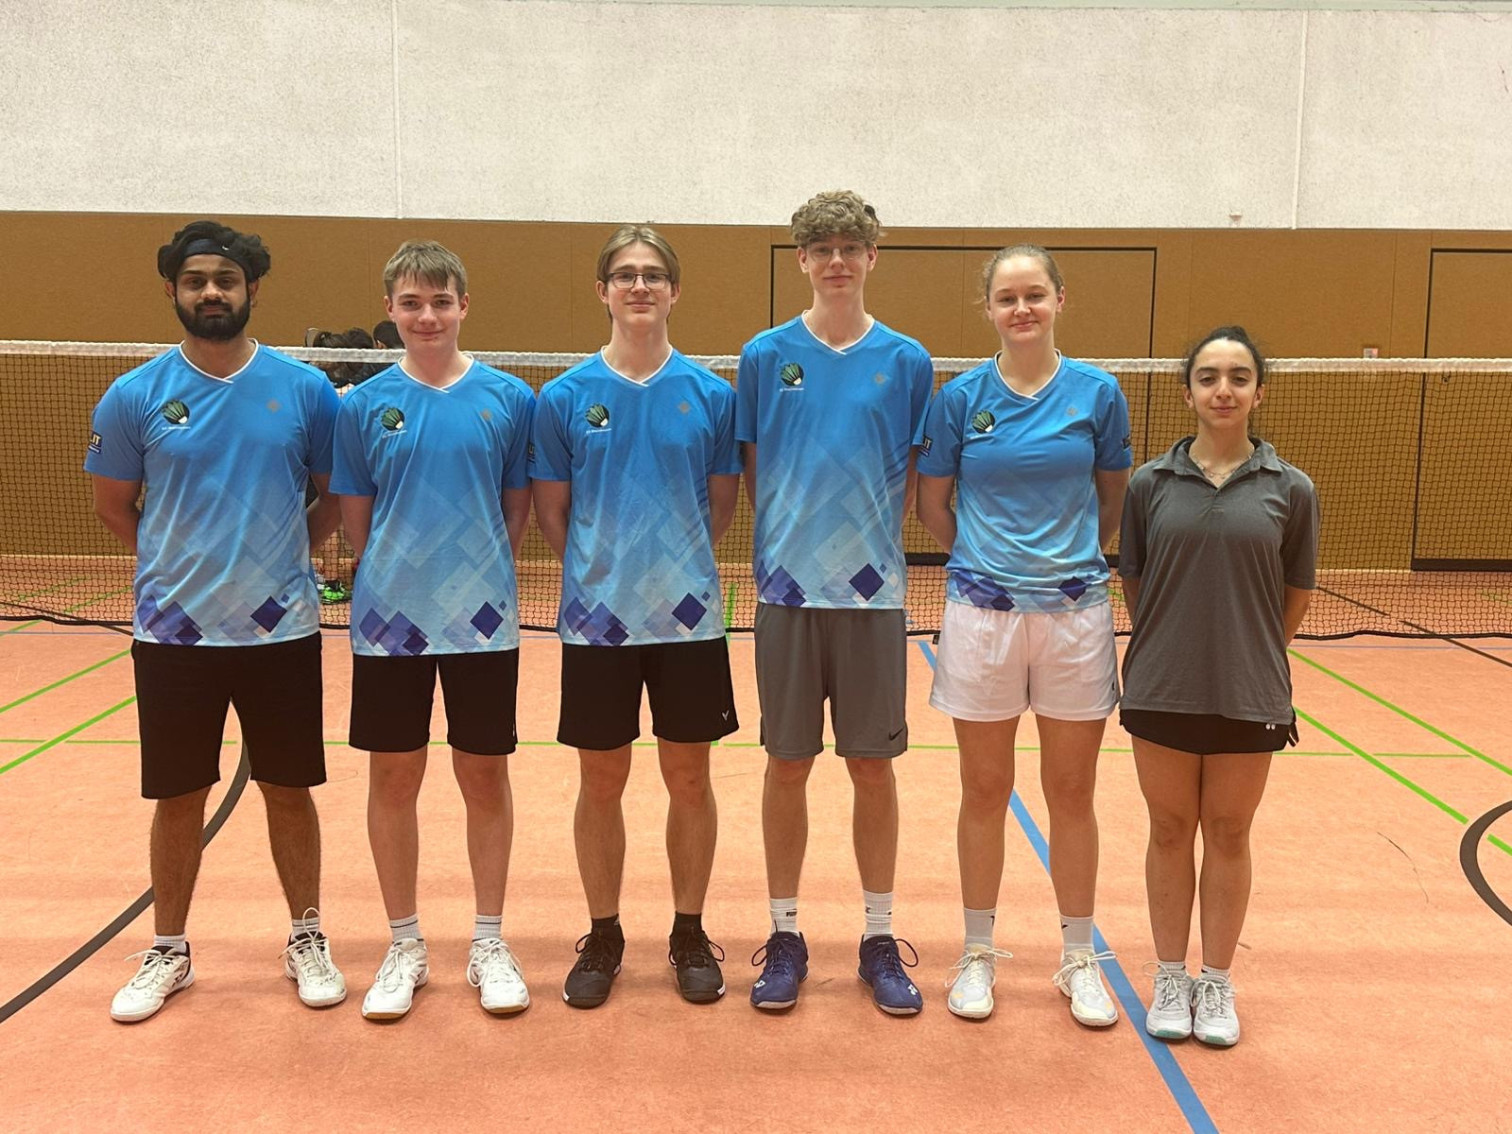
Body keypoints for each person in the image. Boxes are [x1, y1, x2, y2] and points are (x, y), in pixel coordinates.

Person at [87, 220, 345, 1022]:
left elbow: (333, 496)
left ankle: (306, 934)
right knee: (178, 796)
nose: (211, 293)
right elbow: (114, 506)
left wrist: (282, 559)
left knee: (289, 790)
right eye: (195, 281)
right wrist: (179, 565)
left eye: (225, 282)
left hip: (282, 633)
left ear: (251, 291)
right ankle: (169, 949)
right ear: (172, 290)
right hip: (174, 638)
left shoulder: (305, 391)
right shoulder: (134, 396)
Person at [916, 246, 1132, 1024]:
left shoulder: (1098, 394)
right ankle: (977, 955)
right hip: (982, 617)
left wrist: (1061, 566)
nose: (1022, 309)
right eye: (1006, 298)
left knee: (1073, 793)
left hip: (1075, 616)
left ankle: (1079, 958)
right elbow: (933, 504)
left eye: (1034, 294)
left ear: (1059, 299)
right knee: (985, 790)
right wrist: (988, 564)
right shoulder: (960, 398)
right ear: (989, 309)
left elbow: (1112, 501)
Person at [531, 225, 741, 1009]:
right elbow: (554, 513)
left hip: (688, 623)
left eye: (654, 275)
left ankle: (688, 931)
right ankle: (605, 933)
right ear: (603, 290)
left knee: (690, 778)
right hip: (598, 626)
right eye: (625, 275)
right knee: (601, 779)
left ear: (674, 290)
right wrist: (604, 571)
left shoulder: (712, 395)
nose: (640, 286)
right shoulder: (564, 397)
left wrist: (669, 570)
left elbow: (720, 506)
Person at [737, 191, 934, 1015]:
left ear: (873, 257)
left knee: (871, 766)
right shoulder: (763, 355)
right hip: (787, 594)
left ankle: (878, 937)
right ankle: (785, 935)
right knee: (787, 763)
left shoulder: (909, 360)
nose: (838, 259)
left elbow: (921, 477)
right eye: (822, 247)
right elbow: (752, 465)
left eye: (852, 246)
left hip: (874, 597)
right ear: (803, 260)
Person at [331, 240, 535, 1019]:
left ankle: (488, 941)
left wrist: (478, 578)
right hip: (390, 626)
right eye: (411, 302)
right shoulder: (361, 406)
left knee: (484, 777)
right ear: (390, 310)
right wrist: (400, 580)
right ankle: (405, 944)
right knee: (395, 779)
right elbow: (357, 518)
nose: (427, 316)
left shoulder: (508, 399)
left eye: (440, 301)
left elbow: (515, 506)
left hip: (483, 625)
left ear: (463, 307)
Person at [1119, 326, 1317, 1047]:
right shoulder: (1150, 484)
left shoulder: (1291, 489)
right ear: (1188, 391)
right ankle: (1171, 975)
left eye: (1238, 377)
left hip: (1250, 690)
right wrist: (1174, 644)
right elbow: (1136, 580)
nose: (1223, 389)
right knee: (1170, 831)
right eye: (1208, 376)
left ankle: (1218, 982)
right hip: (1161, 686)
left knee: (1229, 832)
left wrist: (1250, 650)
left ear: (1258, 392)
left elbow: (1295, 591)